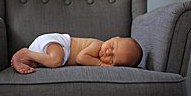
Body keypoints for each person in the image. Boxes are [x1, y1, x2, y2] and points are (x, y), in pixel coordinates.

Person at [10, 33, 142, 73]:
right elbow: (80, 58)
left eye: (112, 59)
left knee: (41, 63)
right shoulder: (97, 45)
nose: (107, 52)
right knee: (55, 61)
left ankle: (24, 60)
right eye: (112, 46)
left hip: (51, 50)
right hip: (58, 43)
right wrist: (101, 64)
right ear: (115, 38)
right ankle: (26, 53)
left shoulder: (103, 50)